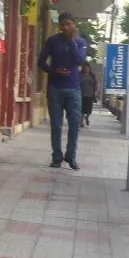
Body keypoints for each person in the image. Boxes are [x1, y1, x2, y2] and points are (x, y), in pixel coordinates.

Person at [38, 12, 87, 170]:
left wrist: (72, 40)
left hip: (73, 88)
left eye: (68, 24)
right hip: (55, 88)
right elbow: (41, 61)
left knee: (74, 124)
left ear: (74, 25)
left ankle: (71, 156)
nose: (65, 27)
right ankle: (57, 157)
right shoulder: (53, 41)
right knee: (56, 125)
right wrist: (53, 71)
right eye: (62, 24)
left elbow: (79, 59)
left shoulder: (80, 42)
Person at [80, 63, 98, 128]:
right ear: (83, 68)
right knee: (81, 109)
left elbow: (95, 85)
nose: (86, 69)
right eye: (85, 68)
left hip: (90, 94)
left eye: (87, 68)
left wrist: (95, 93)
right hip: (81, 94)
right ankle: (81, 122)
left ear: (89, 68)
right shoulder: (80, 75)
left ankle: (87, 117)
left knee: (89, 110)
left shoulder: (92, 76)